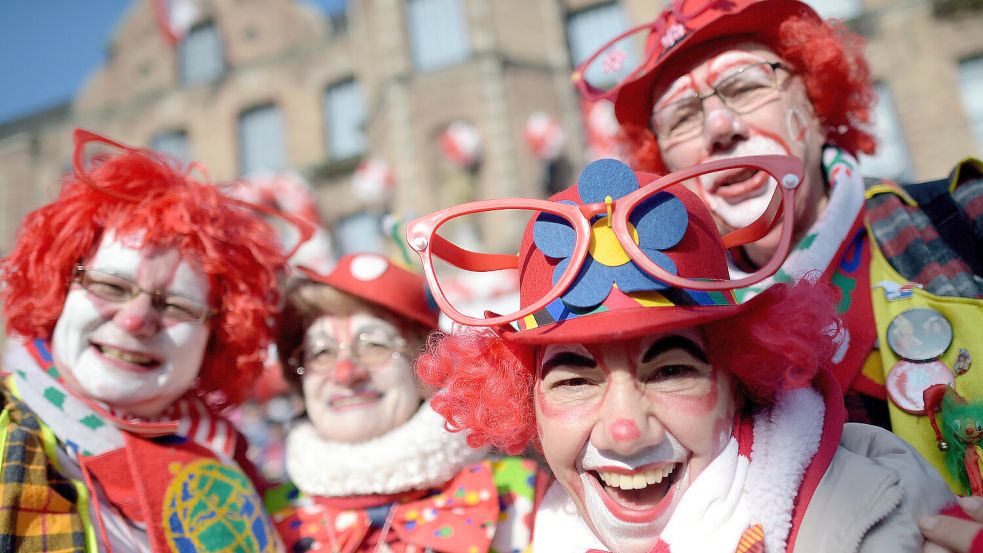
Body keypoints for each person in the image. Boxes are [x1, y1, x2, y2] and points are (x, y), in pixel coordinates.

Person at [412, 157, 955, 552]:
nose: (624, 430)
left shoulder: (872, 512)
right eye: (574, 381)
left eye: (670, 371)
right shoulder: (531, 535)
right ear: (526, 404)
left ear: (738, 381)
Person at [573, 0, 983, 494]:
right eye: (681, 116)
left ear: (813, 100)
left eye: (746, 86)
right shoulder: (676, 317)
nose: (719, 128)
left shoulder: (964, 217)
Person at [0, 129, 286, 552]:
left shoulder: (234, 466)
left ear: (215, 338)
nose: (135, 320)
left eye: (176, 306)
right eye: (110, 287)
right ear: (59, 288)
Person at [264, 253, 542, 553]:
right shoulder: (257, 516)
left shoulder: (522, 496)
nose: (345, 374)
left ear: (427, 367)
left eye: (374, 345)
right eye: (320, 353)